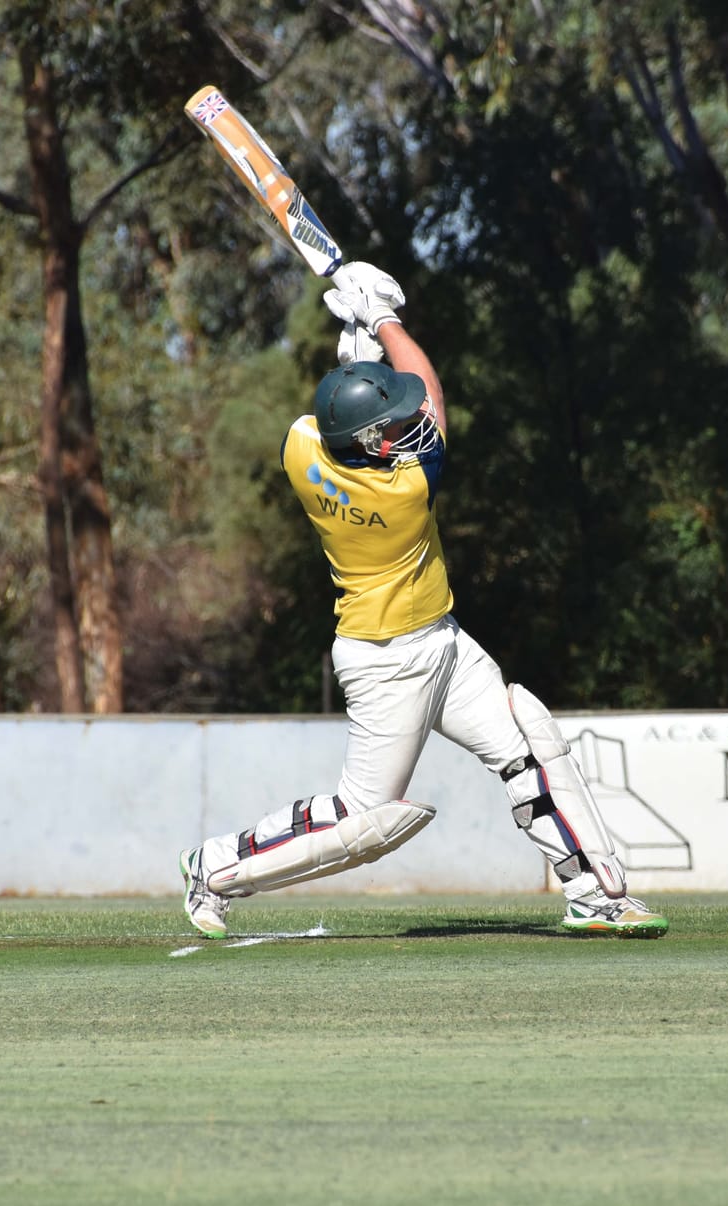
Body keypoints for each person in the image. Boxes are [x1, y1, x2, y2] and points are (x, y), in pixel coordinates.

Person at [178, 260, 668, 940]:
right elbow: (433, 400)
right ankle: (214, 867)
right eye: (390, 424)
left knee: (526, 745)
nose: (407, 428)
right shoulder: (405, 491)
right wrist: (381, 319)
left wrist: (355, 359)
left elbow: (331, 409)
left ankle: (593, 893)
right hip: (387, 663)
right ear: (372, 443)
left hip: (445, 641)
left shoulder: (300, 450)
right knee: (361, 821)